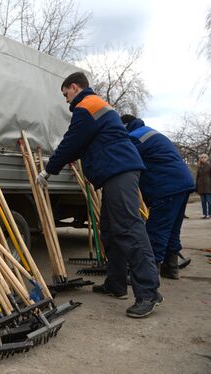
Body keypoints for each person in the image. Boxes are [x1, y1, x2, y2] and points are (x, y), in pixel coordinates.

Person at [36, 72, 161, 318]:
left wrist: (49, 170)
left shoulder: (86, 106)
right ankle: (116, 284)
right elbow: (82, 145)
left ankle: (148, 293)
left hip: (120, 171)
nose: (65, 100)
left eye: (65, 94)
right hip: (117, 171)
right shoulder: (98, 107)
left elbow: (72, 142)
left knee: (128, 229)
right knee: (110, 229)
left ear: (74, 87)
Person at [121, 115, 195, 280]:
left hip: (167, 187)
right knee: (172, 230)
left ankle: (147, 276)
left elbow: (124, 162)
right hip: (183, 183)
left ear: (125, 126)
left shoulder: (134, 138)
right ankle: (171, 268)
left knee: (156, 231)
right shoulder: (149, 132)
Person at [196, 154, 211, 219]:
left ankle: (209, 214)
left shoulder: (209, 166)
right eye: (202, 157)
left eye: (204, 157)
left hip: (208, 187)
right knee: (203, 202)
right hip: (201, 187)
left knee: (209, 201)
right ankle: (204, 214)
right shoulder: (199, 166)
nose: (203, 158)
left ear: (207, 158)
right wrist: (196, 187)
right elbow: (197, 177)